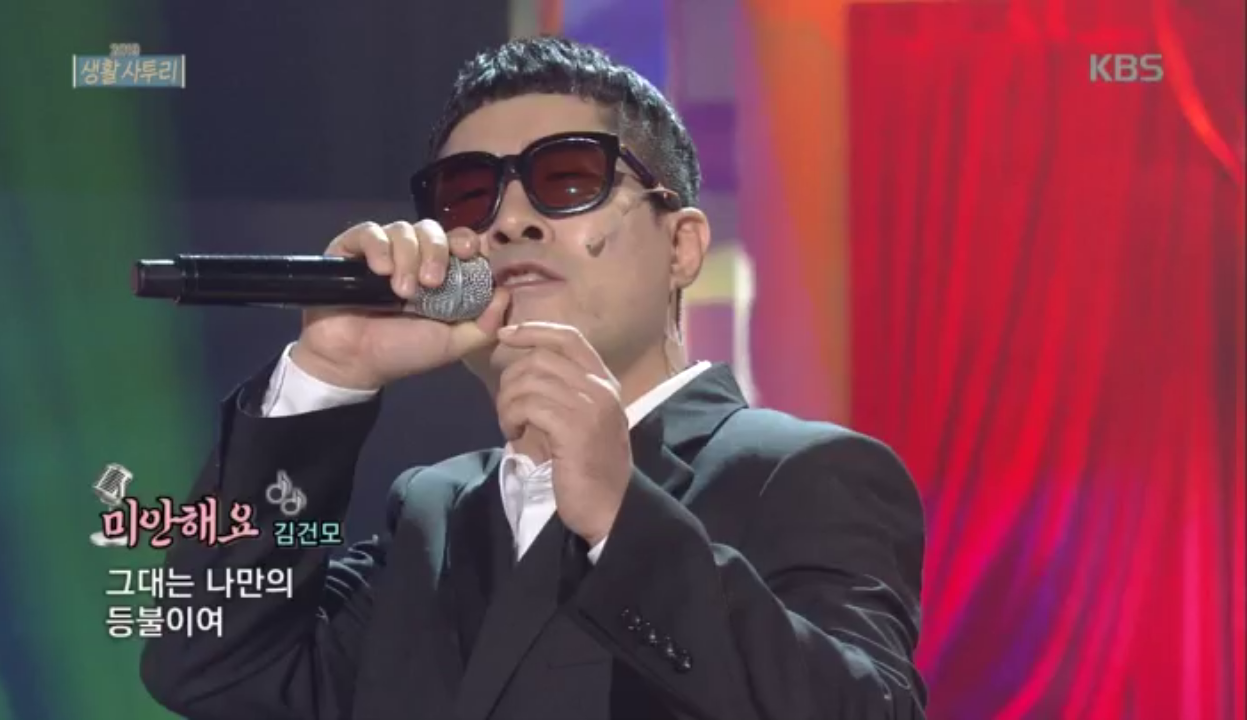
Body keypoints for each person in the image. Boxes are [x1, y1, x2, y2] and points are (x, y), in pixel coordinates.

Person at [140, 36, 928, 720]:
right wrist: (327, 374)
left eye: (570, 177)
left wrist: (621, 516)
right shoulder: (433, 516)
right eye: (470, 195)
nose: (510, 221)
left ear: (682, 246)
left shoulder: (799, 471)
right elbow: (208, 665)